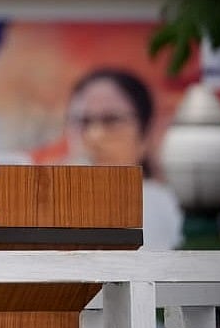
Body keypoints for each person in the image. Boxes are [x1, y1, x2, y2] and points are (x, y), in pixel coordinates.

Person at [59, 68, 184, 250]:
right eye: (83, 121)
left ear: (145, 132)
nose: (95, 136)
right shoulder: (47, 208)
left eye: (111, 120)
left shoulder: (165, 208)